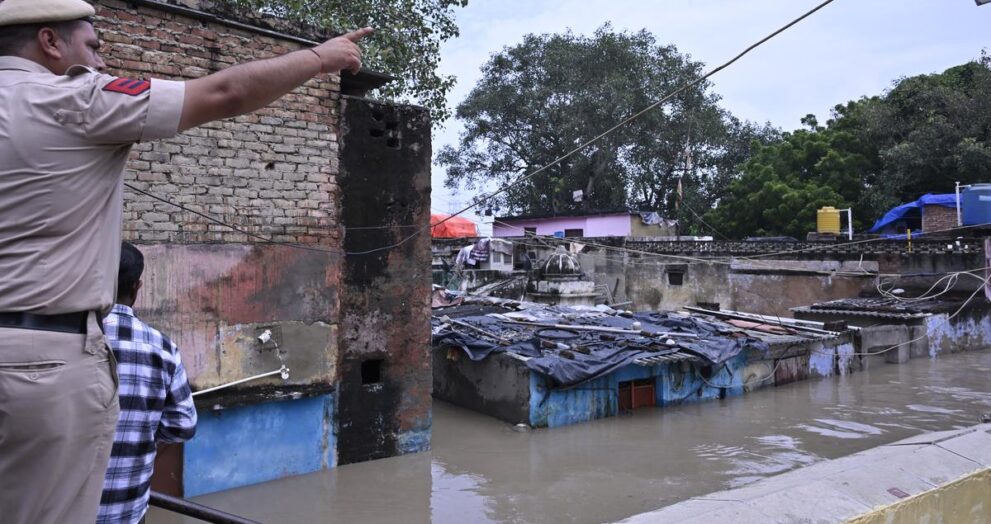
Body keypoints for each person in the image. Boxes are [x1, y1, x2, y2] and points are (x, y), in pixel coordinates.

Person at [0, 0, 372, 521]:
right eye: (94, 48)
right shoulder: (73, 100)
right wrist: (320, 57)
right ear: (49, 42)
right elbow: (224, 92)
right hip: (41, 365)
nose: (102, 64)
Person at [97, 242, 197, 524]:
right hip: (126, 513)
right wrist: (142, 430)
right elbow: (183, 426)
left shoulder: (71, 337)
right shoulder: (163, 349)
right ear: (137, 287)